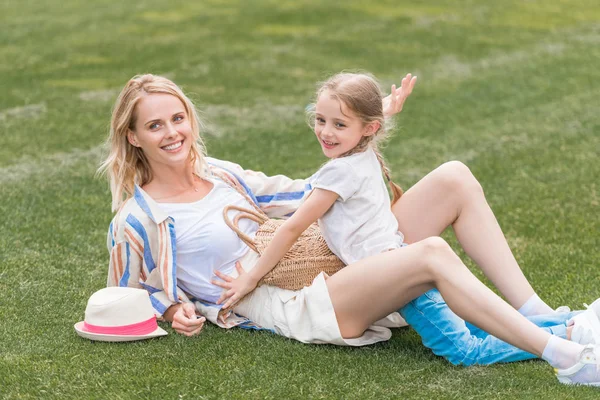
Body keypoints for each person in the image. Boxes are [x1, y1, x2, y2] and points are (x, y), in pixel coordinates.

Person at [100, 73, 600, 386]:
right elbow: (124, 295)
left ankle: (540, 312)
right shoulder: (137, 218)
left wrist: (364, 123)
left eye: (177, 118)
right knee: (428, 254)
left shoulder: (222, 174)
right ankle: (564, 352)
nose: (172, 133)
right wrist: (174, 309)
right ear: (134, 136)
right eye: (155, 125)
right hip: (295, 302)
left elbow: (308, 194)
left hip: (330, 256)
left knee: (454, 177)